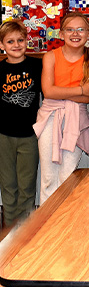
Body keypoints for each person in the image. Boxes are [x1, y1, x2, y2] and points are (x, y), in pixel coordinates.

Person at [34, 12, 89, 204]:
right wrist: (80, 89)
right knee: (48, 177)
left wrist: (67, 92)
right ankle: (46, 224)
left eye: (81, 29)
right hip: (50, 116)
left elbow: (87, 98)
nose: (75, 33)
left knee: (68, 176)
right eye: (70, 29)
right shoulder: (50, 57)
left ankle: (64, 221)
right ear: (61, 34)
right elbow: (48, 92)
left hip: (76, 120)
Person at [0, 20, 42, 226]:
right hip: (3, 136)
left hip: (30, 135)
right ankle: (8, 231)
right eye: (10, 41)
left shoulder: (37, 65)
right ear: (2, 45)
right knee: (8, 186)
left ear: (27, 41)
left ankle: (24, 233)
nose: (16, 45)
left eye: (20, 40)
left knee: (26, 186)